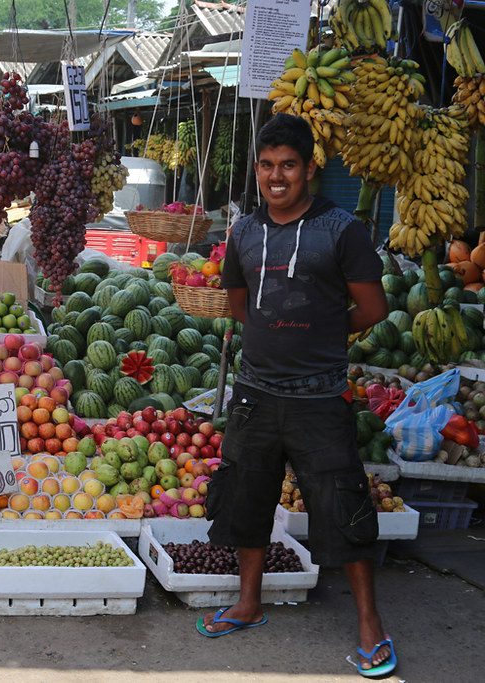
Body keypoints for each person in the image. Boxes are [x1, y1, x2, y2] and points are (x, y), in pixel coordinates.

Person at [198, 114, 394, 678]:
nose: (276, 177)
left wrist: (321, 337)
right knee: (245, 499)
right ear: (256, 170)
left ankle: (369, 624)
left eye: (288, 165)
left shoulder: (341, 230)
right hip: (256, 393)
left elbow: (373, 309)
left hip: (319, 396)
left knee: (342, 506)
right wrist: (277, 337)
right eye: (266, 166)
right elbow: (240, 306)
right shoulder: (244, 233)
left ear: (310, 168)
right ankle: (248, 602)